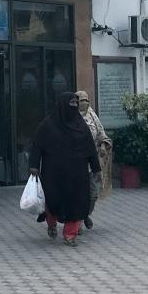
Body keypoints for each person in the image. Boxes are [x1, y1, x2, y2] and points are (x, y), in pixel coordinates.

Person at [28, 92, 99, 247]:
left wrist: (96, 168)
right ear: (61, 104)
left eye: (76, 103)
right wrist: (33, 165)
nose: (74, 106)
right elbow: (37, 146)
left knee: (77, 202)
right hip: (54, 173)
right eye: (71, 103)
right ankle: (52, 224)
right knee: (53, 200)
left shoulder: (81, 125)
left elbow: (90, 148)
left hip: (77, 174)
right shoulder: (48, 124)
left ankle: (70, 235)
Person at [75, 90, 113, 230]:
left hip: (92, 162)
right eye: (81, 101)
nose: (84, 104)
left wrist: (103, 145)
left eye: (86, 101)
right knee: (78, 194)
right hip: (77, 161)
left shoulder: (92, 116)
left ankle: (85, 214)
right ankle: (76, 222)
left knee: (93, 193)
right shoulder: (72, 117)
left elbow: (102, 135)